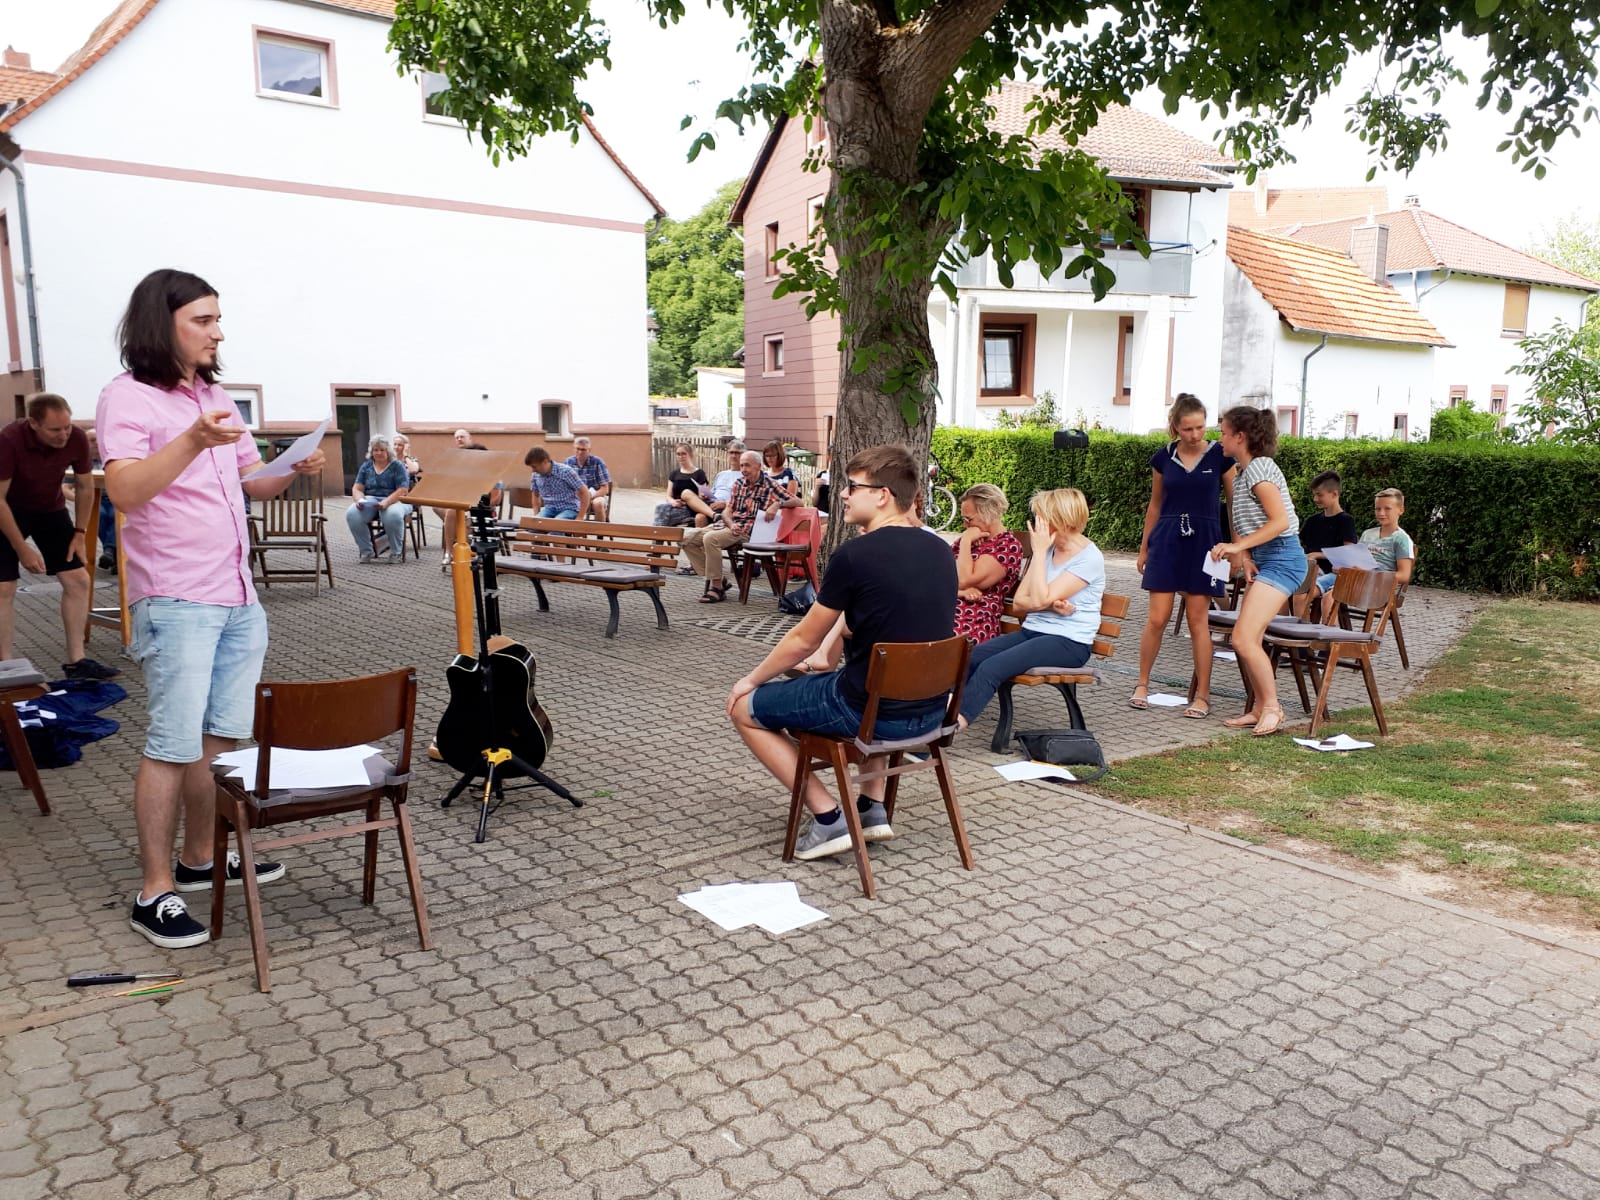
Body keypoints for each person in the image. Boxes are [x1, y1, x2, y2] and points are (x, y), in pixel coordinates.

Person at [96, 267, 326, 949]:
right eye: (203, 319)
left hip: (236, 596)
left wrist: (290, 467)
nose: (217, 331)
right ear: (159, 323)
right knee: (170, 744)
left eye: (217, 319)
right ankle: (154, 891)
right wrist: (192, 439)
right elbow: (126, 492)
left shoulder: (216, 395)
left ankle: (201, 859)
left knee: (219, 738)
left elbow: (250, 483)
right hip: (175, 597)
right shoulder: (126, 398)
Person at [726, 444, 956, 860]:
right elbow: (888, 622)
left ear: (882, 495)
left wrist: (751, 679)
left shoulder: (855, 556)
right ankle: (871, 808)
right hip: (930, 714)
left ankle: (829, 817)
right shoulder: (940, 549)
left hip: (868, 714)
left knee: (745, 708)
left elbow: (803, 641)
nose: (843, 494)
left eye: (851, 486)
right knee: (875, 675)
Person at [956, 488, 1105, 731]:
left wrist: (1038, 557)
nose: (1037, 524)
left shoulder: (1088, 558)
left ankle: (945, 732)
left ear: (1061, 520)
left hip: (1068, 642)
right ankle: (932, 717)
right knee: (970, 659)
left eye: (1041, 518)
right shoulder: (1050, 550)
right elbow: (1021, 604)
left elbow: (1035, 600)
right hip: (1033, 632)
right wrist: (1049, 603)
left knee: (991, 669)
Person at [0, 392, 120, 679]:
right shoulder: (9, 440)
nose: (64, 434)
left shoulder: (76, 437)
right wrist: (22, 548)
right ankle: (5, 667)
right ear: (33, 424)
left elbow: (84, 486)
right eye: (55, 430)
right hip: (7, 510)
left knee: (78, 581)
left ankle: (77, 662)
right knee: (4, 588)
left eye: (67, 426)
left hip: (49, 510)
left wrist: (80, 533)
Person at [1131, 394, 1237, 719]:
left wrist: (1237, 547)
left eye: (1200, 427)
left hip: (1206, 542)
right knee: (1156, 618)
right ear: (1175, 426)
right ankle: (1142, 684)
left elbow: (1233, 505)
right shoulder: (1163, 457)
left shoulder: (1221, 455)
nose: (1194, 434)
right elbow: (1155, 504)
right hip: (1167, 539)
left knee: (1197, 621)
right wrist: (1144, 546)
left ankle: (1202, 695)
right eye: (1188, 428)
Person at [1209, 405, 1304, 737]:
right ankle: (1259, 707)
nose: (1218, 438)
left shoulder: (1261, 467)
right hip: (1267, 558)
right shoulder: (1243, 470)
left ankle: (1273, 708)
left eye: (1222, 432)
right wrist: (1247, 556)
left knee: (1243, 637)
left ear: (1240, 436)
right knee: (1247, 638)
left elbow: (1279, 522)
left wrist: (1236, 547)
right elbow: (1252, 522)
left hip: (1284, 558)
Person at [683, 449, 798, 602]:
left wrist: (778, 504)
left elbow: (798, 501)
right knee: (686, 537)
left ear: (758, 466)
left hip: (747, 530)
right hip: (729, 526)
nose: (743, 469)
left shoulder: (770, 484)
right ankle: (720, 579)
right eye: (742, 466)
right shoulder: (738, 484)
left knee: (711, 539)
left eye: (747, 466)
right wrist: (730, 523)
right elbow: (728, 511)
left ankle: (716, 587)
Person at [951, 483, 1024, 644]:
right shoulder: (971, 540)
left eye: (968, 519)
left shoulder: (1006, 547)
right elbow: (934, 576)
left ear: (988, 513)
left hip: (973, 621)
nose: (965, 526)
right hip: (945, 611)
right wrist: (958, 592)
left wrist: (965, 541)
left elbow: (964, 579)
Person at [1315, 487, 1414, 597]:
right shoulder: (1368, 534)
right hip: (1354, 577)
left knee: (1331, 597)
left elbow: (1404, 575)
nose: (1381, 513)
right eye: (1377, 509)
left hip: (1376, 585)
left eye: (1387, 509)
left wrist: (1368, 575)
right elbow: (1355, 560)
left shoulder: (1401, 539)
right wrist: (1343, 568)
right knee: (1309, 589)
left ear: (1401, 510)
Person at [344, 435, 411, 564]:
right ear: (371, 451)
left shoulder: (397, 466)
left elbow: (403, 490)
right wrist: (360, 501)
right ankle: (366, 551)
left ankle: (396, 552)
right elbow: (357, 488)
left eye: (382, 450)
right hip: (371, 499)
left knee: (392, 515)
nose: (378, 453)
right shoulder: (366, 466)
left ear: (388, 451)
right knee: (352, 514)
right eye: (375, 450)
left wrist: (386, 502)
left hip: (396, 500)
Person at [1300, 470, 1357, 580]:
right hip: (1307, 569)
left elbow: (1350, 553)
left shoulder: (1345, 521)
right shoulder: (1312, 520)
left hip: (1330, 574)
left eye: (1319, 495)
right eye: (1314, 495)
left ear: (1334, 494)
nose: (1315, 499)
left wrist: (1317, 554)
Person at [654, 443, 710, 544]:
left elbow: (702, 496)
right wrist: (673, 502)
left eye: (684, 453)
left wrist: (692, 499)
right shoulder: (674, 474)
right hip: (674, 507)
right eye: (678, 454)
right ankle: (657, 546)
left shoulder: (699, 473)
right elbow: (668, 495)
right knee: (661, 507)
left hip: (690, 509)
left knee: (661, 514)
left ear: (691, 455)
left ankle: (656, 547)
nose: (681, 456)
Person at [525, 446, 590, 520]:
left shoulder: (565, 471)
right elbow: (535, 495)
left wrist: (580, 517)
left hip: (570, 509)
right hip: (550, 509)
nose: (533, 470)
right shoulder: (535, 475)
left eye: (534, 467)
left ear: (545, 461)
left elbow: (584, 492)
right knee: (533, 527)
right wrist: (536, 516)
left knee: (556, 525)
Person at [565, 437, 612, 521]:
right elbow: (564, 484)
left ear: (589, 450)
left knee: (598, 504)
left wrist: (589, 497)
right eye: (577, 449)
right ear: (574, 448)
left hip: (595, 495)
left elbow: (605, 489)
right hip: (575, 496)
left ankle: (599, 532)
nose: (580, 452)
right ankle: (576, 532)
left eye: (583, 450)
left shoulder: (598, 462)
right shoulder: (568, 462)